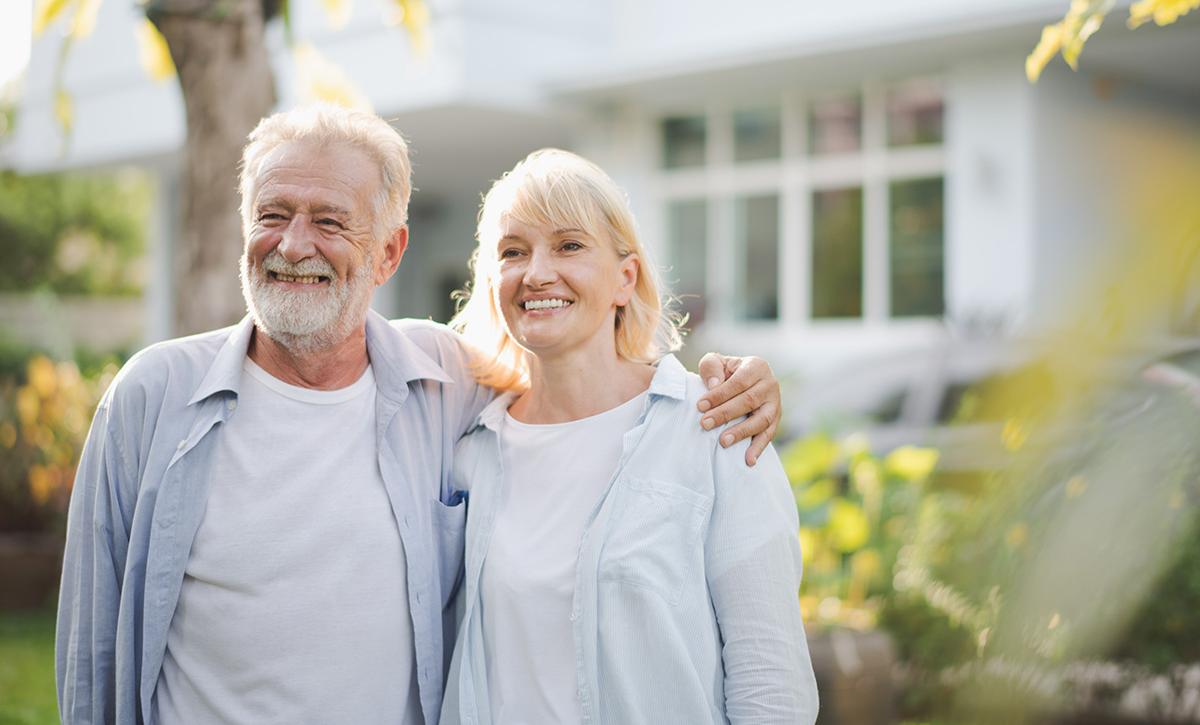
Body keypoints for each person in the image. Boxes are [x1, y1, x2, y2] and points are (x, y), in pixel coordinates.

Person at [56, 103, 784, 725]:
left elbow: (768, 677)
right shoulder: (153, 397)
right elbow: (90, 652)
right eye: (272, 215)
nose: (294, 243)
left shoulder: (440, 385)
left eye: (330, 221)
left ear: (389, 252)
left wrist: (734, 380)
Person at [441, 149, 818, 724]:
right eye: (514, 252)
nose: (537, 272)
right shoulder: (472, 451)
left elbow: (773, 683)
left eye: (569, 245)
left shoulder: (715, 426)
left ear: (625, 278)